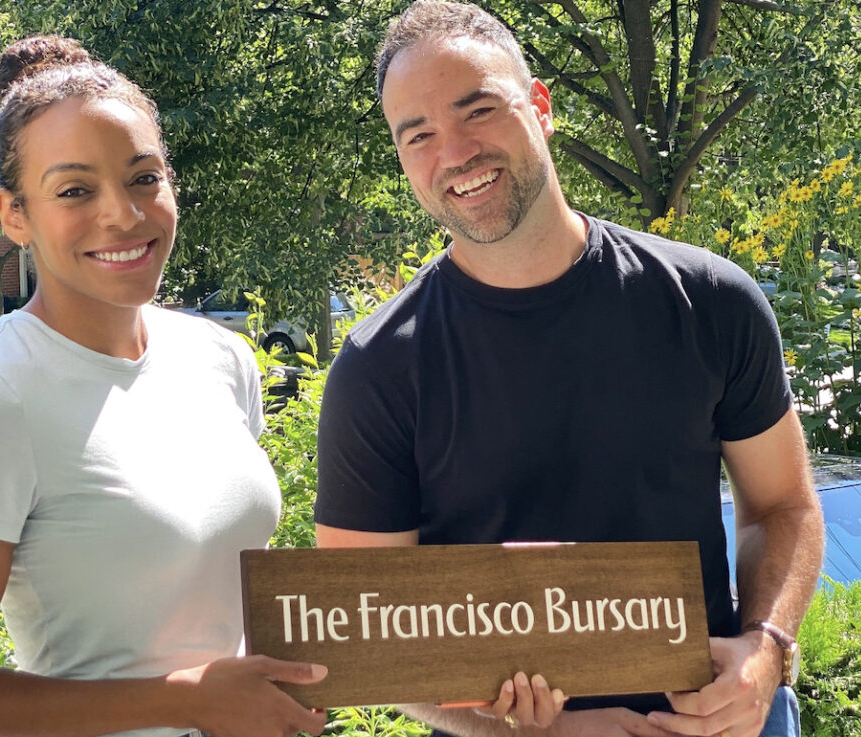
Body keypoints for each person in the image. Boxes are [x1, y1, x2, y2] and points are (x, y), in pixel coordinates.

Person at [313, 2, 825, 736]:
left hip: (725, 723)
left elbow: (785, 508)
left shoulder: (710, 301)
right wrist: (527, 730)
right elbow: (368, 635)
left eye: (477, 110)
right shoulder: (379, 369)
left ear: (540, 107)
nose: (453, 152)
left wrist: (767, 649)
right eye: (418, 134)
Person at [0, 36, 327, 737]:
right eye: (75, 190)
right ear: (15, 214)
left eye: (144, 177)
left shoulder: (221, 358)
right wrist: (186, 700)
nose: (123, 213)